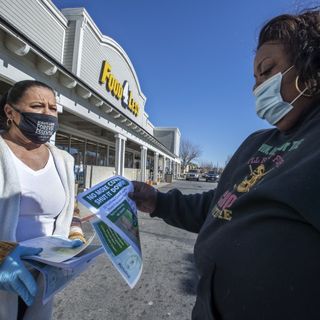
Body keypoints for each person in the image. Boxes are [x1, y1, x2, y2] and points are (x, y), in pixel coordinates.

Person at [129, 8, 320, 320]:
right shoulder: (258, 142)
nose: (257, 87)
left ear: (311, 69)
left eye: (267, 71)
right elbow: (220, 204)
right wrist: (157, 201)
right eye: (255, 78)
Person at [0, 80, 86, 320]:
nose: (48, 114)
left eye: (53, 108)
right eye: (38, 106)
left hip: (44, 275)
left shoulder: (64, 160)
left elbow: (72, 206)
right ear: (10, 112)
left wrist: (75, 237)